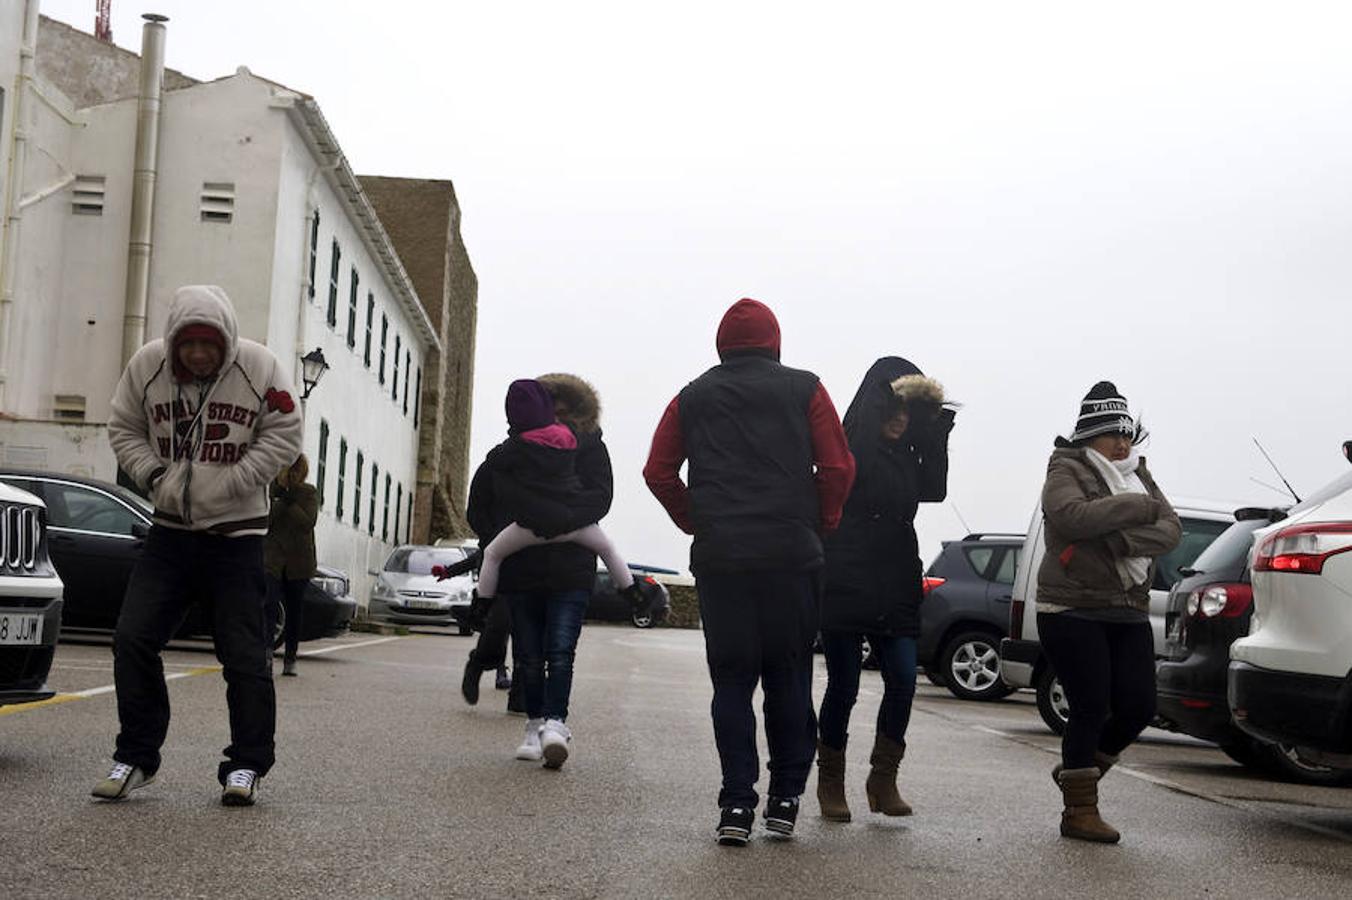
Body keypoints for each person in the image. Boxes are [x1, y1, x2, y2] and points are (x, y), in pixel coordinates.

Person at [644, 297, 855, 847]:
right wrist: (821, 521)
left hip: (723, 559)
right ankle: (785, 799)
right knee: (788, 674)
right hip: (791, 555)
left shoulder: (691, 397)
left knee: (732, 682)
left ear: (722, 344)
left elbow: (658, 471)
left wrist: (699, 520)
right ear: (775, 342)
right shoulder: (806, 388)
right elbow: (837, 465)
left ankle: (736, 804)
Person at [92, 284, 303, 806]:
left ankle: (246, 765)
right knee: (133, 638)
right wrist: (152, 472)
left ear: (227, 341)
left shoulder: (260, 367)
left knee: (245, 656)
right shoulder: (147, 367)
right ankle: (137, 756)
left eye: (210, 344)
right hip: (170, 532)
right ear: (174, 342)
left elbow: (285, 433)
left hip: (237, 538)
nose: (200, 354)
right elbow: (124, 426)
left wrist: (233, 482)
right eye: (189, 345)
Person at [1036, 381, 1180, 843]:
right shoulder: (1066, 467)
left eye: (1126, 434)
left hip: (1128, 606)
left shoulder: (1139, 471)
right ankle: (1079, 812)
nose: (1122, 443)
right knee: (1090, 706)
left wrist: (1121, 539)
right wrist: (1137, 507)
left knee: (1139, 706)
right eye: (1111, 434)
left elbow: (1171, 529)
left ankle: (1079, 772)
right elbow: (1072, 517)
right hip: (1072, 606)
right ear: (1088, 436)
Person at [815, 358, 953, 823]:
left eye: (906, 412)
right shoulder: (850, 448)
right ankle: (830, 781)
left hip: (895, 575)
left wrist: (935, 432)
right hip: (846, 574)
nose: (899, 419)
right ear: (874, 407)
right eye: (891, 409)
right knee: (844, 685)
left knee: (904, 679)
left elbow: (935, 488)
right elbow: (844, 472)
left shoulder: (909, 455)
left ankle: (883, 777)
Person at [464, 374, 617, 769]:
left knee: (561, 651)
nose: (560, 421)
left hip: (570, 567)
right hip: (522, 567)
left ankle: (555, 723)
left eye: (567, 414)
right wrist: (503, 530)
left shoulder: (591, 449)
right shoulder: (511, 451)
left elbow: (600, 498)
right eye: (555, 413)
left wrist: (558, 521)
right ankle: (533, 725)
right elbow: (480, 501)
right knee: (530, 656)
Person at [265, 455, 318, 677]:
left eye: (295, 472)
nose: (291, 476)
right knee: (268, 606)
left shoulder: (309, 493)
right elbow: (265, 520)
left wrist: (291, 503)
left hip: (299, 562)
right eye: (288, 472)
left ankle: (290, 657)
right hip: (273, 560)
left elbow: (307, 523)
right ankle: (266, 653)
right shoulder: (271, 491)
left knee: (295, 612)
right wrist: (279, 501)